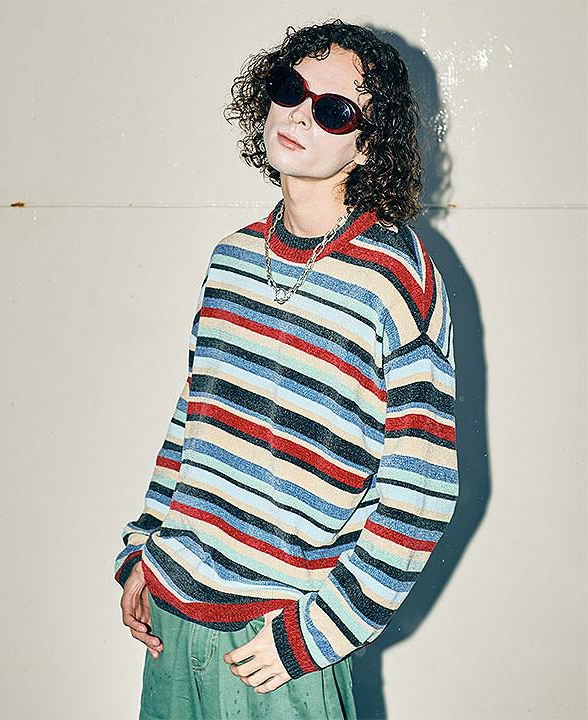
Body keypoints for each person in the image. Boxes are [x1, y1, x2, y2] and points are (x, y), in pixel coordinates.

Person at [114, 17, 459, 720]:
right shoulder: (232, 259)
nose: (300, 114)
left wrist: (315, 635)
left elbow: (421, 491)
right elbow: (193, 421)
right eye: (288, 88)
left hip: (279, 647)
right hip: (174, 623)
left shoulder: (399, 280)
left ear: (368, 144)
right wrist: (145, 548)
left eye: (334, 110)